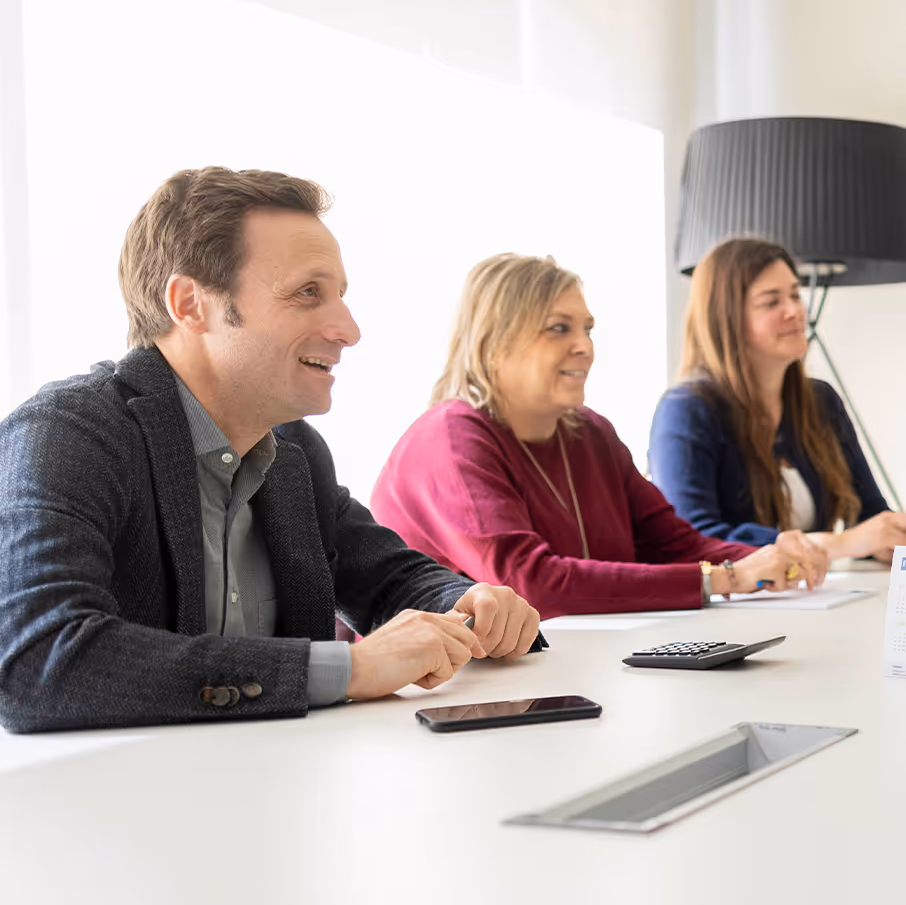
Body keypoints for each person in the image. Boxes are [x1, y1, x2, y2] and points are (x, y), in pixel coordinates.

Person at [0, 168, 540, 734]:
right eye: (308, 293)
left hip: (274, 796)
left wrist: (468, 602)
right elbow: (36, 660)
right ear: (191, 304)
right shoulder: (69, 433)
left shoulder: (292, 448)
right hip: (113, 809)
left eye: (340, 297)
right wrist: (350, 668)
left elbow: (390, 579)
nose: (349, 329)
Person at [370, 252, 826, 621]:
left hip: (573, 662)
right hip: (433, 693)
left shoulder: (590, 433)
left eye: (587, 329)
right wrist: (724, 578)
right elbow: (530, 584)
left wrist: (765, 557)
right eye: (559, 328)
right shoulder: (452, 437)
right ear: (493, 343)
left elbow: (676, 545)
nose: (585, 346)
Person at [648, 236, 906, 557]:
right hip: (735, 603)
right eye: (771, 302)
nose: (795, 311)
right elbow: (694, 539)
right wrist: (836, 545)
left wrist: (889, 537)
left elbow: (869, 518)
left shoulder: (821, 401)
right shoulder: (686, 410)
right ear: (726, 319)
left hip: (815, 598)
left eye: (795, 295)